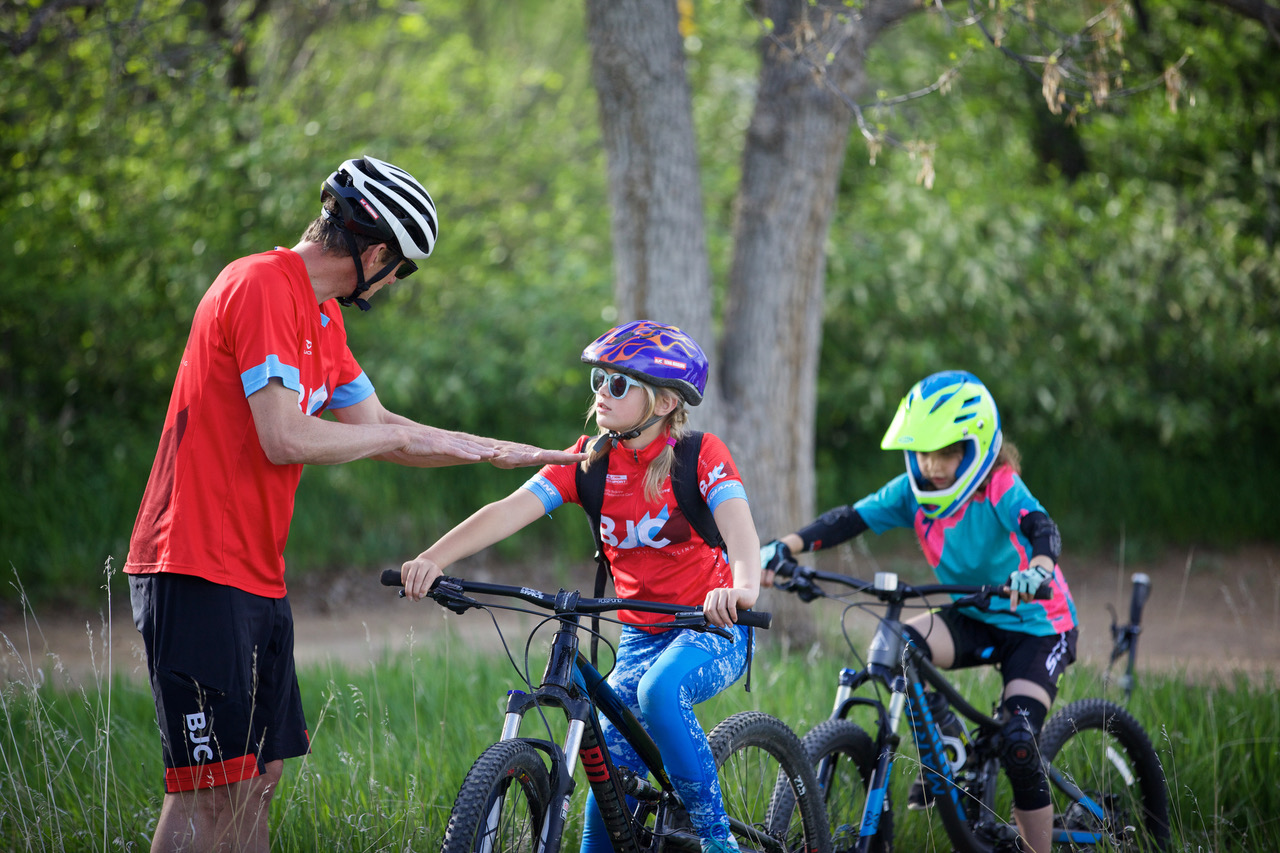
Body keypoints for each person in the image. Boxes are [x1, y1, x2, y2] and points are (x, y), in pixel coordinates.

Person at [124, 155, 585, 853]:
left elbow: (380, 427)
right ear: (374, 254)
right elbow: (284, 435)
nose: (395, 282)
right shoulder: (260, 284)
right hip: (192, 564)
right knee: (210, 789)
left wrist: (491, 449)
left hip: (255, 573)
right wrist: (398, 437)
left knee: (260, 778)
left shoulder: (322, 319)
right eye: (402, 269)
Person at [399, 320, 762, 853]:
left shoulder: (700, 456)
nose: (602, 392)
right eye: (599, 380)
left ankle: (717, 840)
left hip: (711, 627)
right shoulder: (589, 462)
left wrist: (742, 589)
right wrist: (433, 558)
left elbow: (741, 532)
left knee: (659, 692)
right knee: (608, 797)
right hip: (640, 635)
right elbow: (507, 510)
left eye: (618, 383)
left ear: (664, 402)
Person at [759, 370, 1077, 853]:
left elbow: (1040, 526)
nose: (933, 465)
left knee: (1018, 741)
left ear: (976, 448)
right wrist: (784, 546)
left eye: (947, 452)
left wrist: (1038, 568)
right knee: (897, 648)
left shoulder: (998, 485)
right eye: (924, 452)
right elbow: (849, 518)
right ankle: (949, 748)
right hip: (975, 615)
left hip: (1039, 626)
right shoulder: (913, 492)